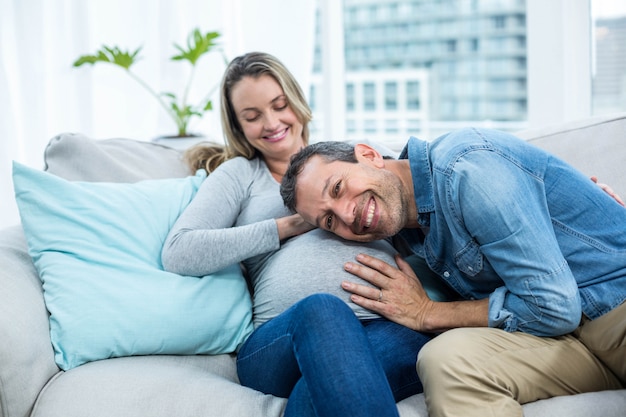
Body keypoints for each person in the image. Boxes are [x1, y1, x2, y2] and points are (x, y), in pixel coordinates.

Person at [279, 129, 626, 417]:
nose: (346, 213)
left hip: (615, 307)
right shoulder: (405, 223)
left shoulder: (466, 172)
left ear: (369, 155)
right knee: (444, 360)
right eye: (328, 220)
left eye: (337, 188)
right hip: (565, 338)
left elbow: (553, 307)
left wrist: (428, 313)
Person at [161, 51, 433, 417]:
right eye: (252, 116)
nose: (272, 123)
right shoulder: (239, 175)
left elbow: (428, 210)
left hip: (389, 326)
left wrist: (427, 303)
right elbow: (179, 251)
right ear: (238, 126)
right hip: (281, 341)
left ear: (297, 100)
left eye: (279, 105)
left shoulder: (354, 157)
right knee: (323, 310)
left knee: (319, 392)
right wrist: (289, 225)